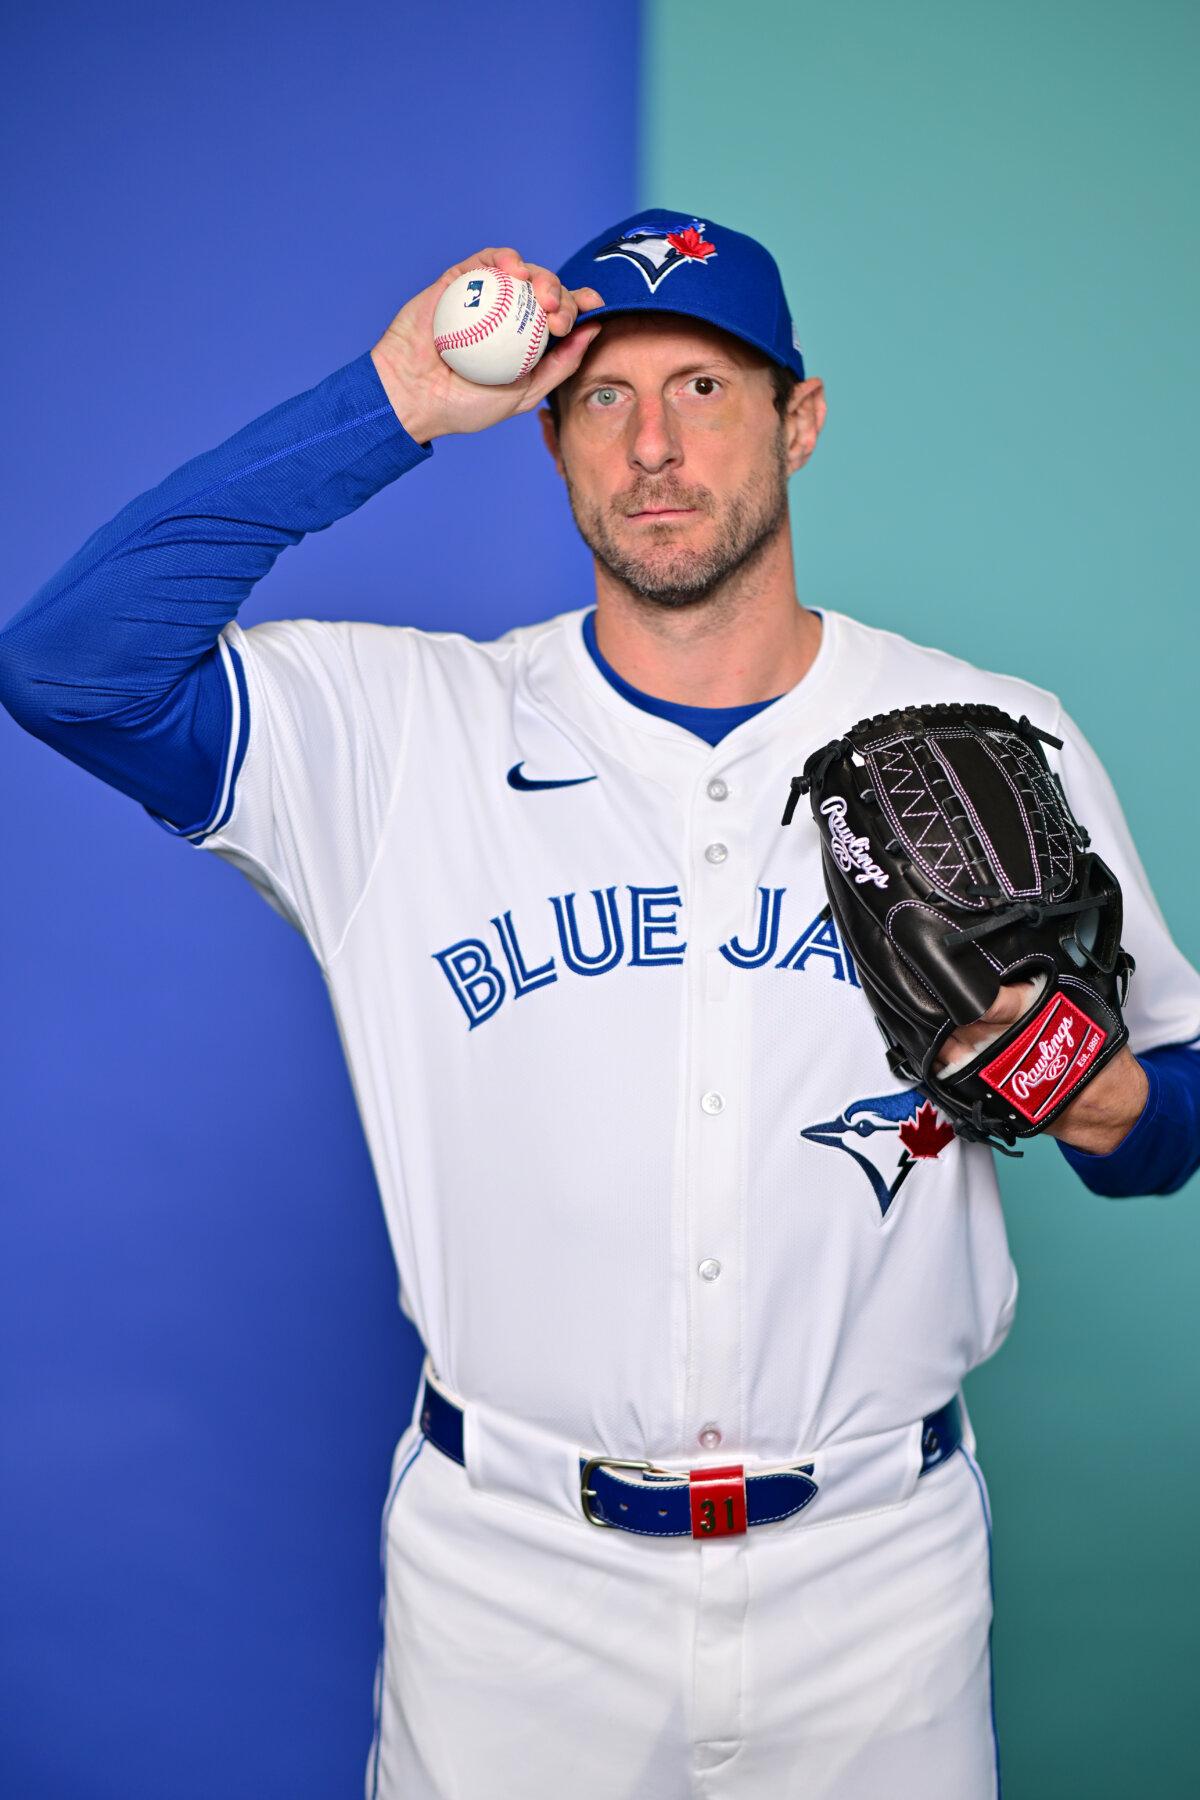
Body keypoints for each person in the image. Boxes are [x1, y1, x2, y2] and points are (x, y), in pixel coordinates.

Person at [1, 208, 1197, 1800]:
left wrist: (1076, 1078)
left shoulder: (987, 735)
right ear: (545, 435)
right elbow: (71, 668)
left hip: (878, 1587)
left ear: (801, 417)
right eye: (599, 396)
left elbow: (1164, 1126)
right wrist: (396, 397)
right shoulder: (401, 736)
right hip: (513, 1600)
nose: (652, 444)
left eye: (703, 388)